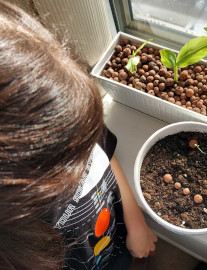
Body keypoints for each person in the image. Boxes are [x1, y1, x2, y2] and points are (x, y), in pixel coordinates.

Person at [0, 1, 157, 269]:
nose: (83, 156)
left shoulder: (68, 123)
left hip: (115, 243)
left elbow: (106, 153)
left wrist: (135, 221)